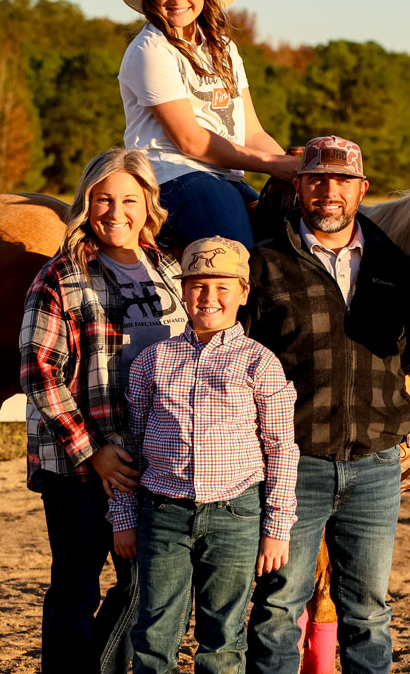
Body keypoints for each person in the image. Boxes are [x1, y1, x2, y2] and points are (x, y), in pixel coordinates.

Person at [241, 136, 410, 673]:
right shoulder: (265, 264)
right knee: (279, 609)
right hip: (295, 465)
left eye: (343, 181)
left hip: (375, 465)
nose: (330, 191)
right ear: (299, 186)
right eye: (317, 179)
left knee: (369, 612)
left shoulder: (393, 265)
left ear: (362, 189)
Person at [19, 147, 189, 674]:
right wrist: (93, 452)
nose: (117, 212)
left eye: (129, 200)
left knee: (143, 585)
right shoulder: (62, 276)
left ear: (148, 204)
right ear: (87, 204)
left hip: (150, 459)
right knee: (76, 585)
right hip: (77, 464)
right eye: (104, 199)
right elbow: (38, 372)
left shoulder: (167, 269)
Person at [108, 235, 299, 674]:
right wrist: (123, 518)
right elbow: (130, 445)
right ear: (182, 289)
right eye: (197, 286)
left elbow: (281, 450)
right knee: (154, 633)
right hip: (163, 512)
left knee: (223, 638)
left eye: (222, 287)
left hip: (235, 514)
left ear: (243, 292)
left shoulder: (260, 363)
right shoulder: (154, 361)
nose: (208, 298)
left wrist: (276, 527)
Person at [114, 0, 301, 247]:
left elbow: (251, 132)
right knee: (240, 258)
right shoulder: (151, 50)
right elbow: (191, 141)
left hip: (224, 177)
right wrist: (274, 166)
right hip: (173, 175)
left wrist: (297, 168)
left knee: (290, 237)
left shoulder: (224, 49)